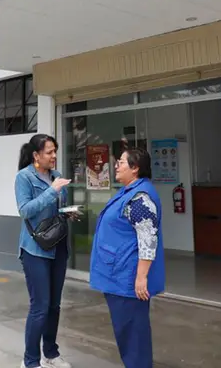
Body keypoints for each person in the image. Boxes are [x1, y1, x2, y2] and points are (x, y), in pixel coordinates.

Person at [89, 148, 164, 368]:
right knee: (127, 332)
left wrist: (141, 277)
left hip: (128, 278)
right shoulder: (128, 191)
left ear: (135, 167)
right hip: (118, 275)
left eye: (121, 162)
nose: (116, 165)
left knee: (133, 335)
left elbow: (148, 239)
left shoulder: (140, 197)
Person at [15, 134, 74, 368]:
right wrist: (51, 191)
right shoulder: (24, 177)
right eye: (49, 152)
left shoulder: (56, 176)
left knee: (54, 305)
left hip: (58, 245)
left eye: (54, 151)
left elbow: (56, 210)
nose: (54, 156)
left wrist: (68, 212)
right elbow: (25, 210)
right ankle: (30, 361)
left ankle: (51, 352)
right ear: (36, 156)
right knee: (40, 306)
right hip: (35, 250)